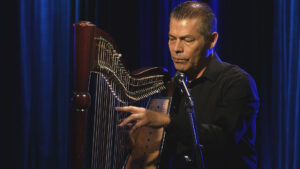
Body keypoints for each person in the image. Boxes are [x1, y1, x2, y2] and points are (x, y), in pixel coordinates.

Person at [116, 1, 259, 169]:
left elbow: (222, 138)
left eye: (187, 40)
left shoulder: (237, 82)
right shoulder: (172, 88)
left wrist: (165, 121)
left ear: (212, 40)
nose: (176, 48)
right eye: (171, 39)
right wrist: (135, 140)